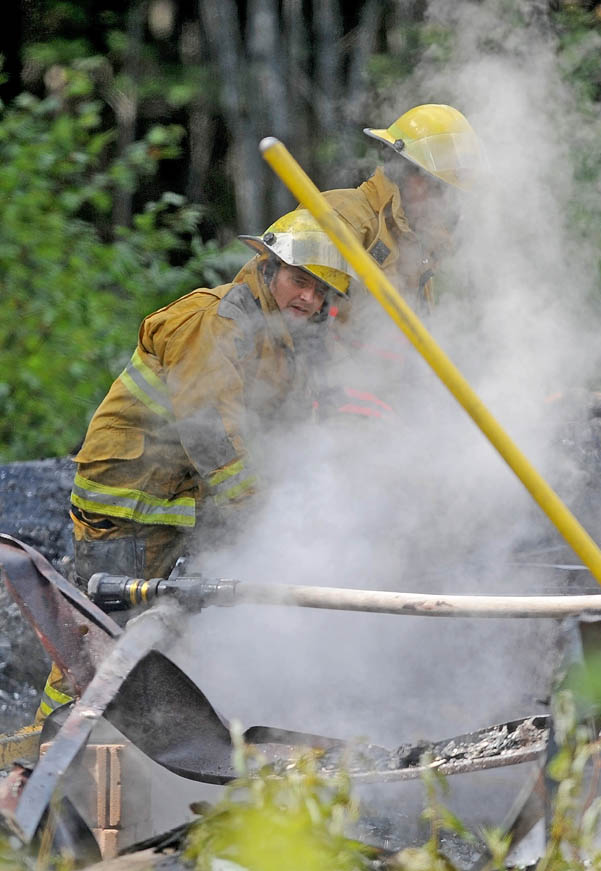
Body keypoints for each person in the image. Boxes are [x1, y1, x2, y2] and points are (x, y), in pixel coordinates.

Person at [36, 210, 354, 721]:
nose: (309, 299)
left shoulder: (281, 340)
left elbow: (288, 437)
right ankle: (48, 756)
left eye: (321, 292)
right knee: (104, 639)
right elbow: (210, 432)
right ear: (268, 267)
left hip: (181, 504)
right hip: (131, 502)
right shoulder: (214, 320)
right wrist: (262, 516)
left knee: (171, 633)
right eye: (300, 280)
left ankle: (140, 755)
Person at [322, 102, 484, 310]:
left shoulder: (414, 249)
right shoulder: (341, 216)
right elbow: (303, 318)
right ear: (400, 171)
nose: (443, 202)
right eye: (436, 186)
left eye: (450, 192)